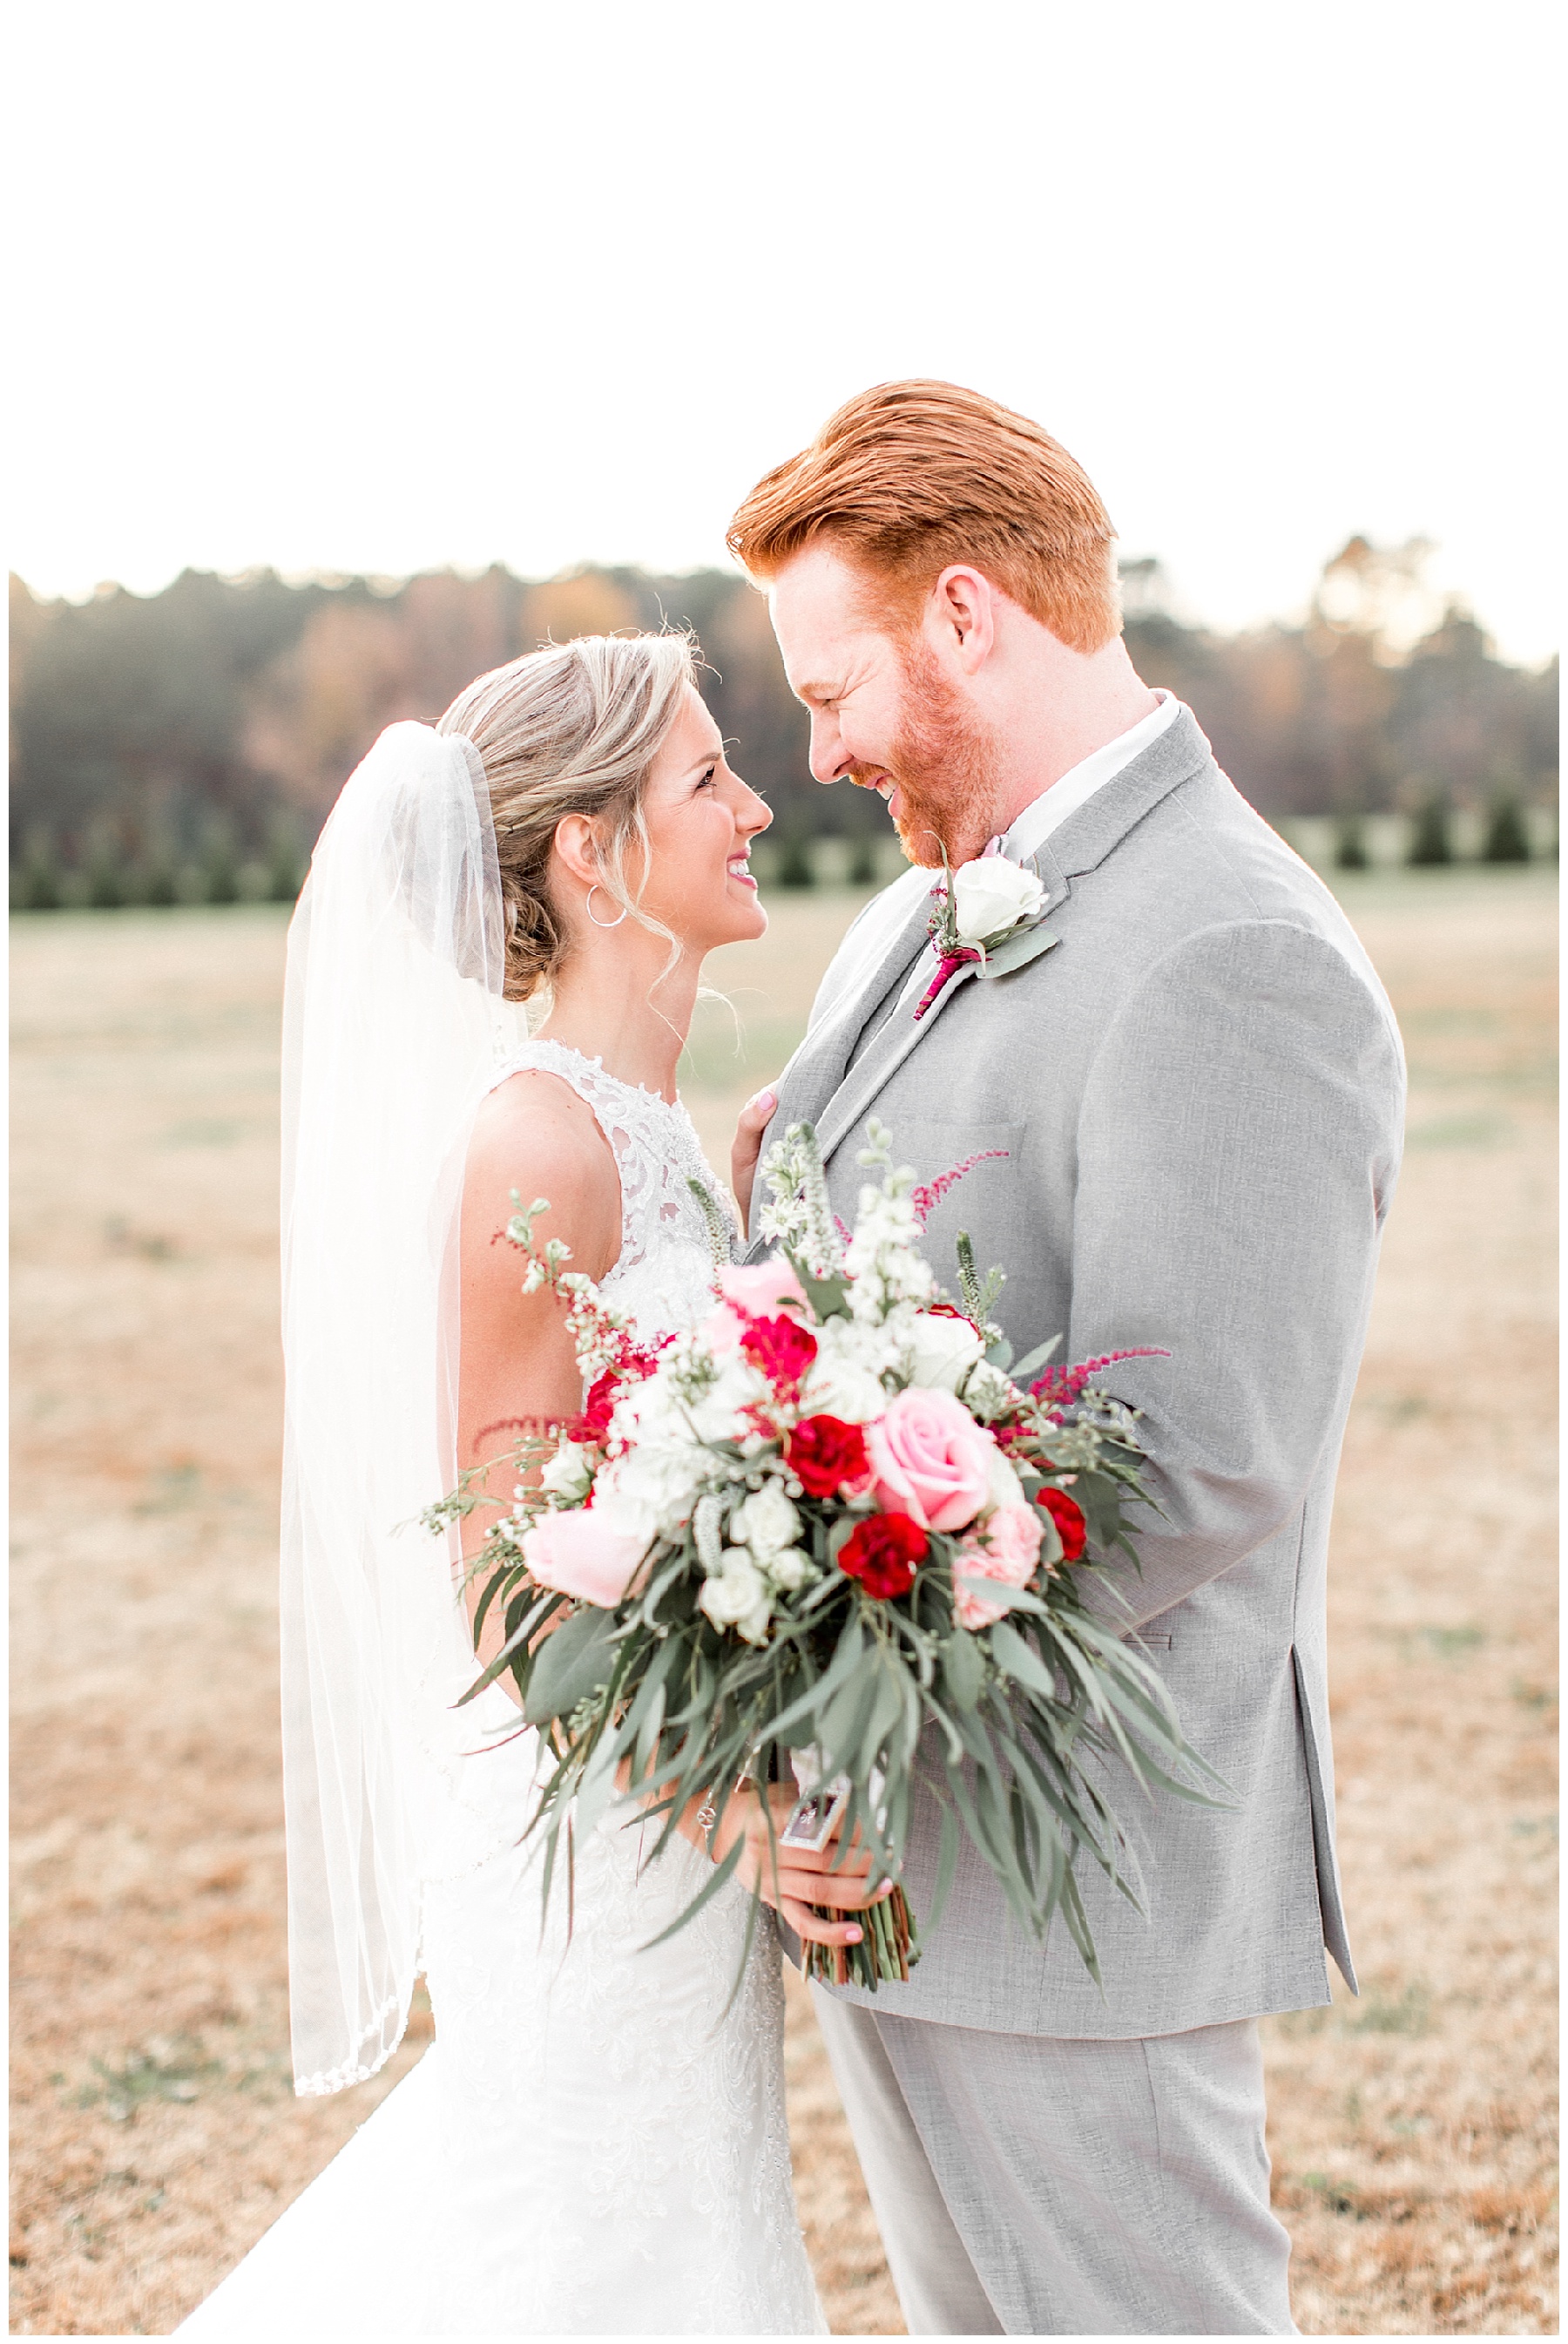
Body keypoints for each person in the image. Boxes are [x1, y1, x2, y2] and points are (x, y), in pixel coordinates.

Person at [727, 381, 1407, 2336]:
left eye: (834, 687)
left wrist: (851, 1651)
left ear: (966, 615)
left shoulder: (1231, 947)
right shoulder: (915, 910)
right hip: (895, 1854)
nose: (819, 750)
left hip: (1078, 1874)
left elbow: (1194, 1460)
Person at [179, 633, 878, 2336]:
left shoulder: (644, 1124)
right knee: (590, 2264)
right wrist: (723, 1811)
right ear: (590, 847)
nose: (756, 805)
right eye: (707, 775)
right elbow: (498, 1572)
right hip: (597, 1836)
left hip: (665, 1821)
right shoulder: (537, 1142)